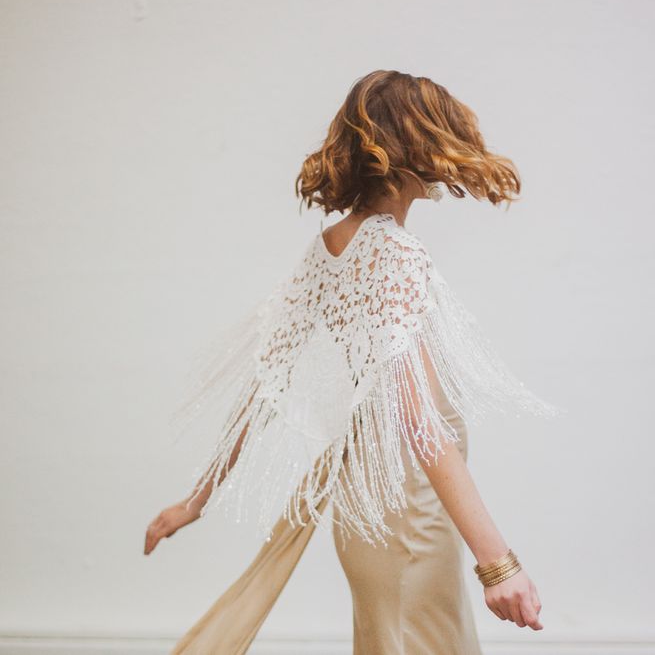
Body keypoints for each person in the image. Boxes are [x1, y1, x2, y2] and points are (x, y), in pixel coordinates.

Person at [144, 70, 564, 654]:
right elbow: (420, 425)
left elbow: (266, 382)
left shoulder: (330, 247)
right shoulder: (395, 252)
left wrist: (198, 498)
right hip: (409, 502)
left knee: (388, 637)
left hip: (366, 497)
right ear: (415, 148)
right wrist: (498, 563)